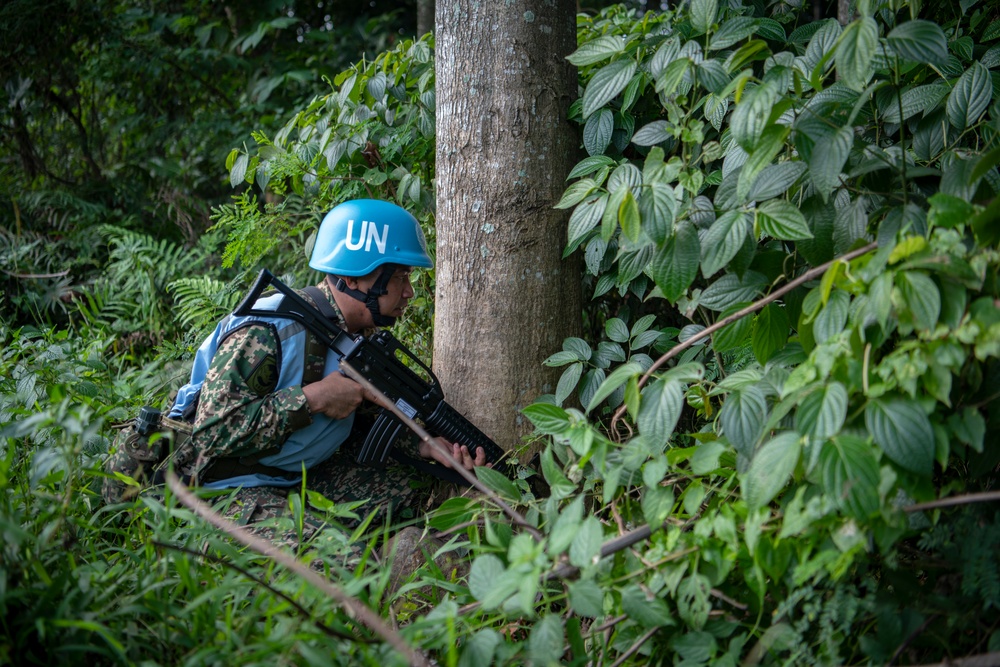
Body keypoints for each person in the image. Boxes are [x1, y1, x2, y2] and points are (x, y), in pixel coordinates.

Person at [105, 199, 486, 558]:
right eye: (399, 276)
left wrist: (419, 444)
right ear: (352, 280)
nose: (409, 291)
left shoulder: (357, 336)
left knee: (421, 485)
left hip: (290, 473)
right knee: (339, 565)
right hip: (214, 487)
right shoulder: (271, 330)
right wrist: (313, 399)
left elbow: (359, 425)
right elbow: (213, 431)